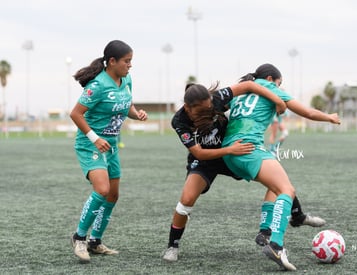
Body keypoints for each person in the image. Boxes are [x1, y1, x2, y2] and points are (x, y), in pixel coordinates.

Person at [162, 81, 324, 263]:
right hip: (206, 160)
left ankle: (296, 217)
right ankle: (172, 246)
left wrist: (277, 100)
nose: (209, 111)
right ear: (188, 108)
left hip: (231, 151)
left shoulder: (215, 98)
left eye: (210, 107)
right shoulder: (179, 121)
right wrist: (229, 151)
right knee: (186, 200)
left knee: (276, 182)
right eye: (202, 110)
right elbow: (198, 152)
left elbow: (248, 85)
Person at [222, 63, 340, 270]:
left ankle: (265, 232)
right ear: (270, 80)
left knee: (276, 186)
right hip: (249, 149)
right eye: (279, 83)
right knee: (287, 190)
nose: (280, 87)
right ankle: (276, 245)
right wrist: (329, 117)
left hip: (230, 154)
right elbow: (308, 113)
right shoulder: (270, 88)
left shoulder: (240, 92)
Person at [69, 40, 148, 263]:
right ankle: (79, 237)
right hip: (90, 145)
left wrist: (137, 114)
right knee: (102, 190)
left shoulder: (126, 80)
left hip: (111, 145)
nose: (130, 65)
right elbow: (75, 114)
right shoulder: (97, 85)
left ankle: (95, 241)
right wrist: (94, 138)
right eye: (127, 61)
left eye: (131, 61)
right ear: (112, 61)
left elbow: (127, 107)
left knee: (113, 195)